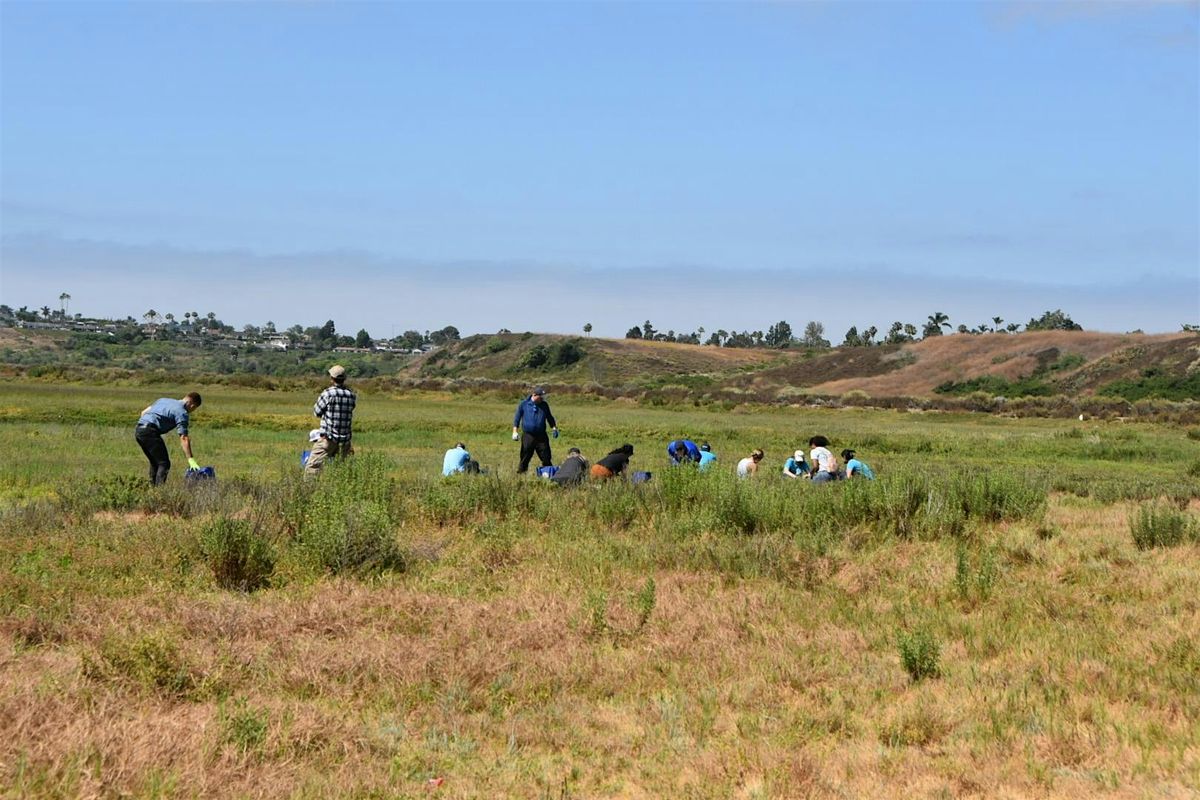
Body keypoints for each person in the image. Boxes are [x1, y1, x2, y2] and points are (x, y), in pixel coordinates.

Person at [135, 392, 202, 485]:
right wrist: (190, 459)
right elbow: (184, 438)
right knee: (164, 464)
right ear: (192, 405)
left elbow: (143, 412)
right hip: (150, 432)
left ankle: (152, 489)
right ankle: (159, 492)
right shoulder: (182, 413)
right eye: (194, 408)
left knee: (155, 462)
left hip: (139, 430)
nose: (192, 411)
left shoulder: (163, 400)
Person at [305, 365, 356, 476]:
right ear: (344, 378)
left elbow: (317, 412)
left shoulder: (327, 393)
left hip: (328, 439)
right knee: (343, 471)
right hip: (345, 441)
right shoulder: (351, 395)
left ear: (332, 378)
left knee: (313, 468)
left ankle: (309, 490)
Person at [512, 385, 558, 474]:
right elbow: (517, 418)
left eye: (543, 397)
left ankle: (548, 474)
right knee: (525, 455)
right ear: (534, 395)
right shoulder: (524, 404)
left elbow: (549, 417)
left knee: (546, 456)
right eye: (540, 397)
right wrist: (515, 431)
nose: (542, 399)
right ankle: (521, 473)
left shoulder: (544, 405)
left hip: (541, 436)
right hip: (528, 435)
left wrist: (554, 428)